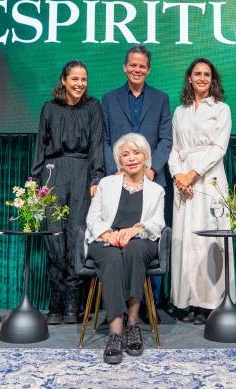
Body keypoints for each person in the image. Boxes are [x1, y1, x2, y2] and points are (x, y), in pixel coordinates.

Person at [32, 60, 104, 325]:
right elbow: (40, 144)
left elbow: (97, 143)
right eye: (74, 79)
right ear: (63, 80)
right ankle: (56, 299)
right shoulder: (49, 108)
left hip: (82, 171)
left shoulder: (93, 107)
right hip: (53, 171)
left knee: (76, 235)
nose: (79, 84)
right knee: (54, 235)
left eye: (83, 79)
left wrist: (97, 176)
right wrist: (35, 182)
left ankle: (74, 299)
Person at [85, 133, 165, 364]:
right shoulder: (105, 185)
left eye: (136, 153)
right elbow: (92, 218)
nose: (131, 158)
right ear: (119, 161)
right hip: (105, 240)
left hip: (140, 240)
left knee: (134, 250)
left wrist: (134, 231)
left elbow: (157, 223)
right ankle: (116, 331)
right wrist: (107, 234)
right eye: (125, 155)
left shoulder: (156, 191)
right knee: (111, 258)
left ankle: (133, 323)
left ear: (145, 157)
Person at [101, 45, 172, 304]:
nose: (137, 69)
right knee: (118, 240)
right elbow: (106, 140)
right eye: (133, 65)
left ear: (149, 69)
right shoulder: (108, 100)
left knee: (148, 239)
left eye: (142, 66)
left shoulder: (161, 98)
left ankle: (150, 303)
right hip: (119, 182)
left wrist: (151, 169)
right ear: (125, 67)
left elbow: (166, 140)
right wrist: (116, 174)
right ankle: (119, 301)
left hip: (152, 180)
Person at [168, 58, 234, 324]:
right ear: (189, 78)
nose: (202, 78)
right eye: (197, 73)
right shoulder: (179, 112)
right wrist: (178, 177)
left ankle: (209, 304)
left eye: (207, 74)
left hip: (209, 179)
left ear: (212, 79)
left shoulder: (221, 109)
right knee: (185, 240)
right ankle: (185, 301)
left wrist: (193, 175)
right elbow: (174, 149)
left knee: (209, 240)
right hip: (183, 183)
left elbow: (219, 148)